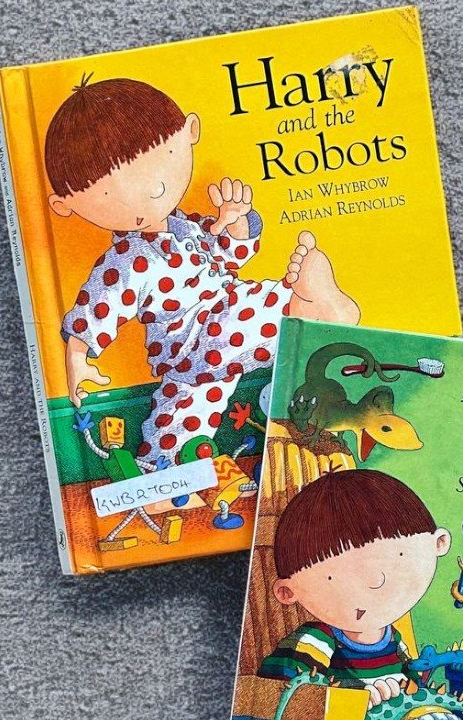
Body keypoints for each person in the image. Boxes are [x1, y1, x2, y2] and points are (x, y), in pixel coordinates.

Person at [44, 75, 359, 464]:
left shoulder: (189, 228)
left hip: (214, 340)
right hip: (193, 338)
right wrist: (77, 358)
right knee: (240, 316)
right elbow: (98, 305)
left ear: (189, 132)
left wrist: (235, 225)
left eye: (158, 164)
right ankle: (300, 309)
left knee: (177, 423)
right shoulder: (127, 260)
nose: (154, 190)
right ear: (64, 206)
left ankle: (162, 469)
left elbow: (228, 259)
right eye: (113, 191)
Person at [259, 469, 459, 720]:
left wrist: (416, 691)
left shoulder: (394, 641)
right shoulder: (316, 640)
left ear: (438, 544)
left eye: (398, 559)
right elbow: (276, 691)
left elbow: (410, 681)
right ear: (288, 592)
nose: (377, 580)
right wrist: (350, 698)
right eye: (337, 576)